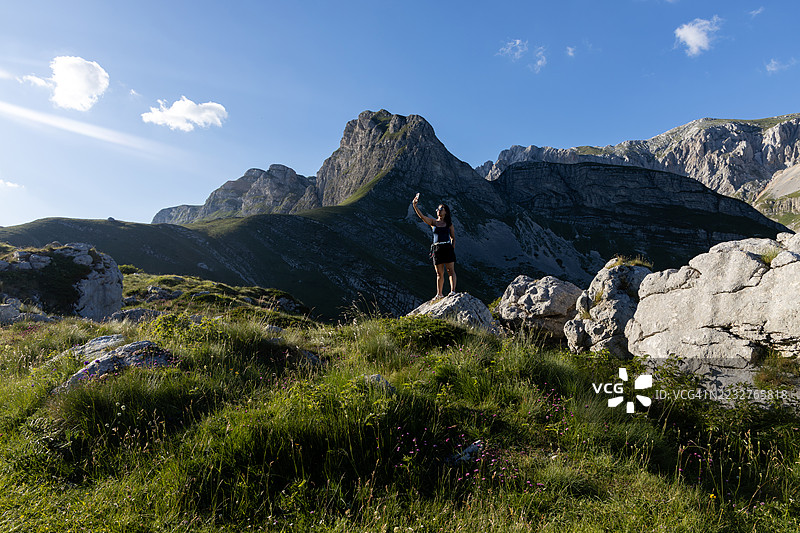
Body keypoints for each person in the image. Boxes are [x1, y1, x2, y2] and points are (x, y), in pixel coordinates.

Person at [412, 193, 456, 299]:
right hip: (437, 248)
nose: (438, 210)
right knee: (439, 273)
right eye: (438, 209)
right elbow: (422, 217)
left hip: (447, 247)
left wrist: (452, 248)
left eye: (441, 209)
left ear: (445, 212)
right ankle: (439, 294)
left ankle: (453, 291)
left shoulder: (449, 224)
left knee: (450, 270)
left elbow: (453, 237)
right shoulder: (433, 222)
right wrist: (415, 206)